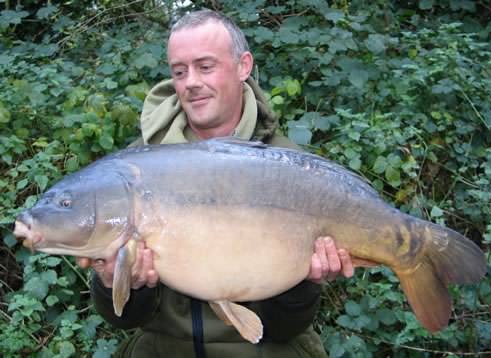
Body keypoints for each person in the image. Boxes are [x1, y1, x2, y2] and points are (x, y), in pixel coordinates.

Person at [77, 9, 354, 358]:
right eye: (179, 71)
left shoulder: (290, 167)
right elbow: (126, 319)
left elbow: (285, 329)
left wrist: (304, 283)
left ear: (243, 66)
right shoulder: (134, 170)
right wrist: (116, 281)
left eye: (205, 67)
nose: (191, 82)